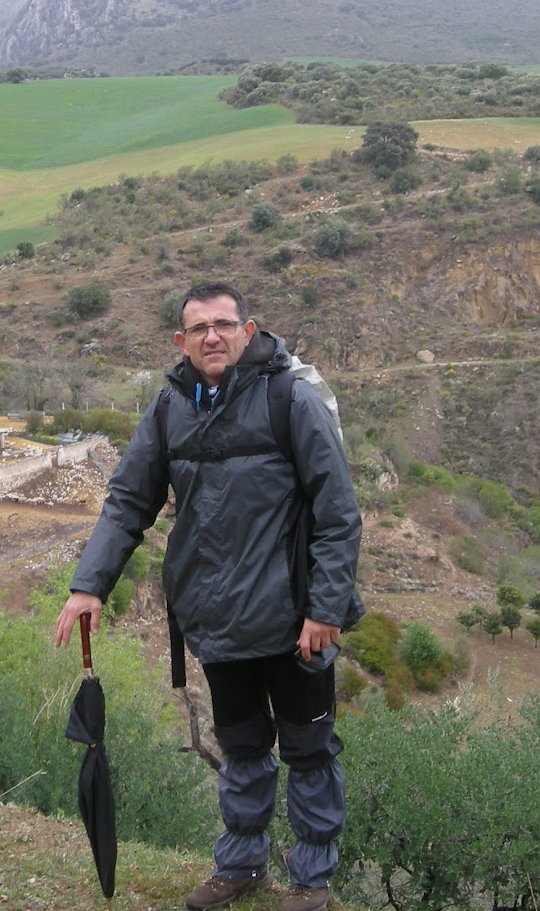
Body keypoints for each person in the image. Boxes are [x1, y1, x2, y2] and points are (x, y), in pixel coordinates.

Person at [54, 282, 362, 911]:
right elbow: (128, 501)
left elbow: (338, 513)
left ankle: (311, 882)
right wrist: (90, 585)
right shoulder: (170, 407)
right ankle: (241, 866)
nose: (212, 336)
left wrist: (326, 609)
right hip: (218, 621)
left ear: (249, 331)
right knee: (243, 746)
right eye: (199, 329)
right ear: (181, 341)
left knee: (308, 750)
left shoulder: (289, 399)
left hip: (296, 619)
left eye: (224, 324)